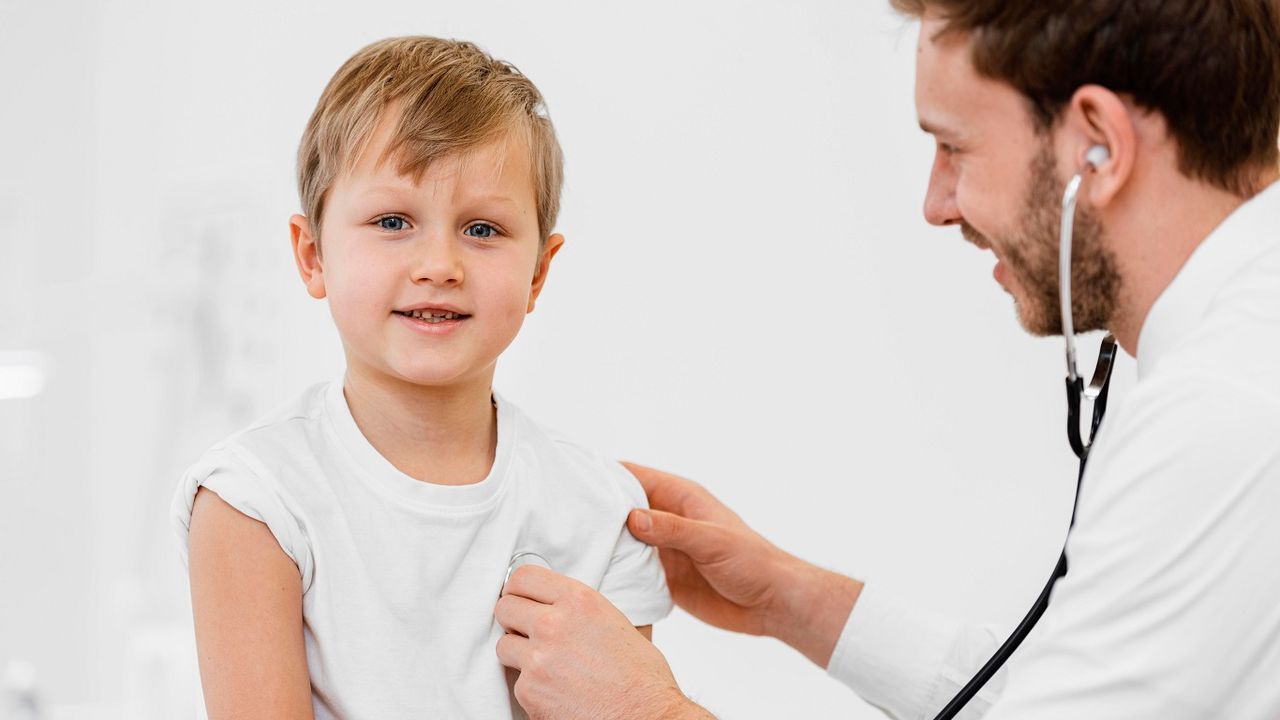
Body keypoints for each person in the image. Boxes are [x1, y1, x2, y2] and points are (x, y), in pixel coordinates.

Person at [493, 1, 1280, 718]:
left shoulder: (1222, 419)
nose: (936, 204)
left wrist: (642, 709)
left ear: (1099, 145)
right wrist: (786, 598)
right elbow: (1073, 690)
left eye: (954, 146)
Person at [169, 37, 671, 719]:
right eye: (393, 221)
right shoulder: (254, 501)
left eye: (483, 229)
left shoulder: (602, 512)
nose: (439, 265)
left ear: (538, 273)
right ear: (312, 255)